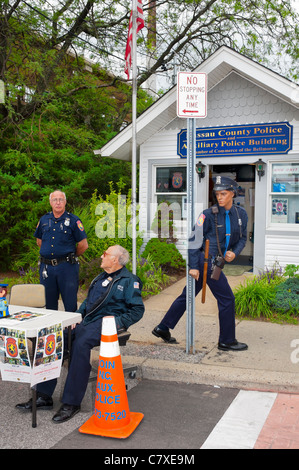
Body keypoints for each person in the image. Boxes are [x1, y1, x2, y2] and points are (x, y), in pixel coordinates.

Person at [16, 245, 145, 423]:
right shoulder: (100, 277)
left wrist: (115, 323)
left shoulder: (129, 280)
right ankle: (43, 395)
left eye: (105, 254)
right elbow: (87, 302)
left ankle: (72, 402)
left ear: (115, 260)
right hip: (87, 321)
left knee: (80, 344)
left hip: (106, 324)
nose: (101, 255)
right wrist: (77, 316)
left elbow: (137, 310)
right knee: (55, 340)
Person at [152, 175, 249, 351]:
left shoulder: (240, 214)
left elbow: (242, 239)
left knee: (187, 296)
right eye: (217, 194)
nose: (220, 197)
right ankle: (226, 340)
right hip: (207, 264)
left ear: (233, 194)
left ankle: (163, 327)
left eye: (224, 194)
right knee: (227, 299)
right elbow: (194, 241)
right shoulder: (207, 215)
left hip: (217, 263)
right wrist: (194, 267)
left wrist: (234, 253)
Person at [34, 190, 88, 312]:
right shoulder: (43, 220)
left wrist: (71, 256)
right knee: (49, 305)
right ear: (50, 202)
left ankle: (71, 331)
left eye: (61, 200)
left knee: (70, 305)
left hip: (67, 268)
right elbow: (39, 242)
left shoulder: (74, 220)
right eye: (55, 200)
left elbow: (83, 245)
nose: (58, 202)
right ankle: (52, 330)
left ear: (65, 202)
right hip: (47, 269)